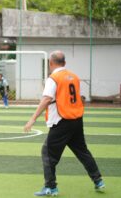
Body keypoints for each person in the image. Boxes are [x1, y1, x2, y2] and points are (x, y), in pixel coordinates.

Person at [24, 50, 105, 196]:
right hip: (76, 120)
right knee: (82, 151)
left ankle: (51, 187)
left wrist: (32, 119)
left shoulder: (53, 78)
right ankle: (98, 180)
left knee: (47, 153)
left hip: (62, 121)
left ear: (50, 63)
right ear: (65, 63)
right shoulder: (74, 77)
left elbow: (46, 99)